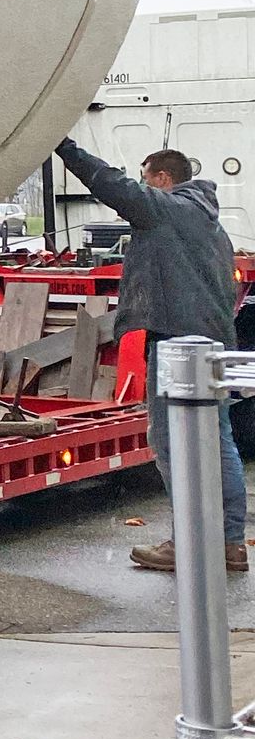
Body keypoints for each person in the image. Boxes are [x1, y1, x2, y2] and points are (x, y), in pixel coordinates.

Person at [57, 138, 248, 572]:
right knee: (217, 444)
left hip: (178, 345)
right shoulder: (208, 221)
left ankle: (189, 543)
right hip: (209, 341)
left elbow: (111, 184)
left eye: (148, 180)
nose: (143, 188)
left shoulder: (168, 208)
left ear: (163, 179)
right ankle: (228, 543)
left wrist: (61, 145)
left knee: (173, 444)